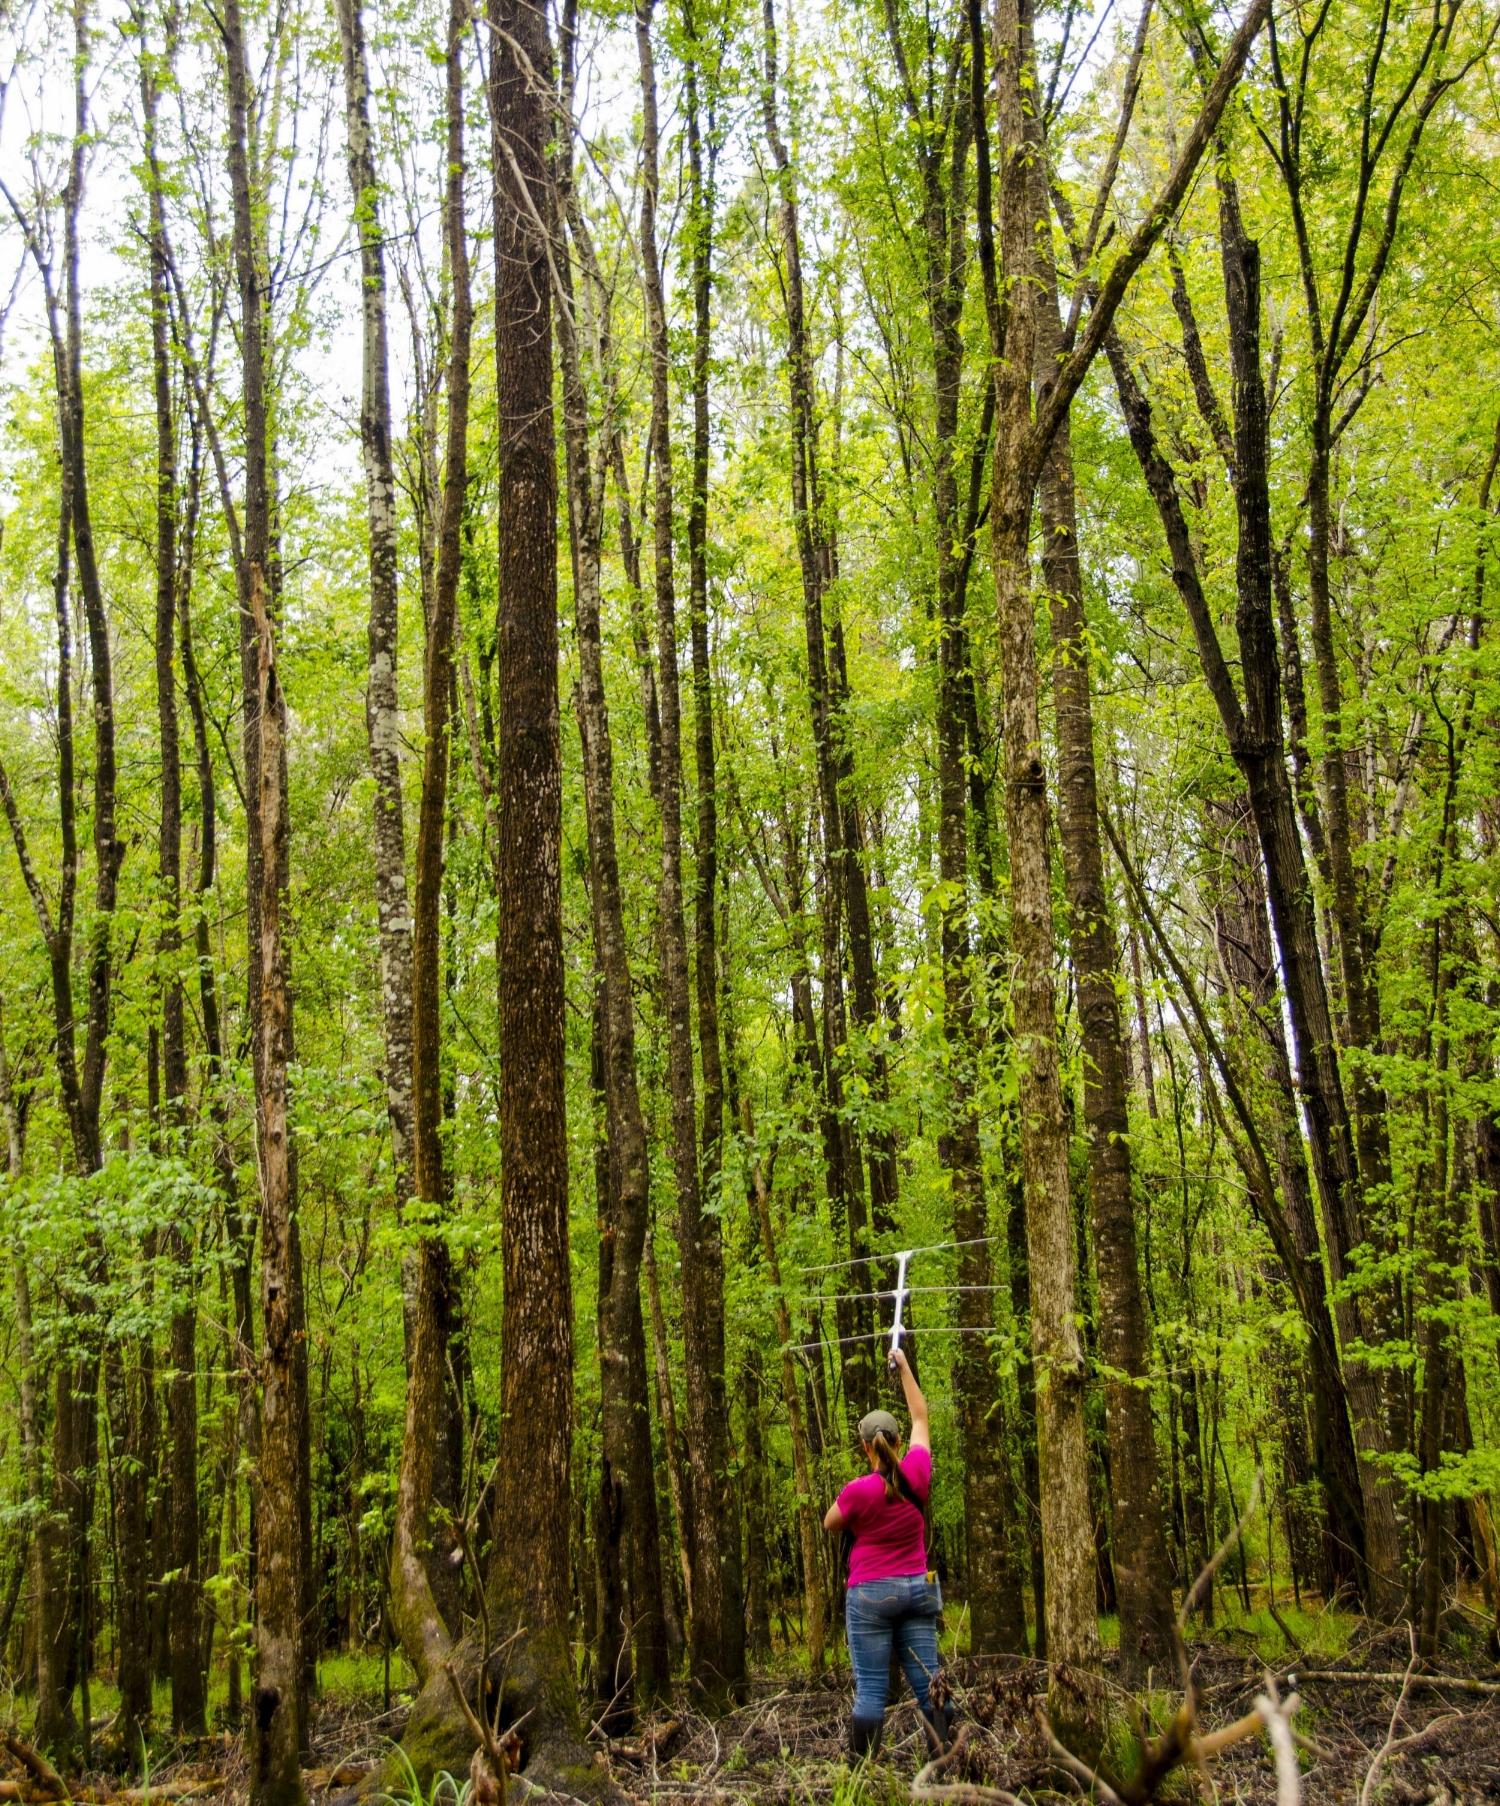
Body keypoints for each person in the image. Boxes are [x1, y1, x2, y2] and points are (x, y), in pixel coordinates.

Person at [824, 1347, 952, 1760]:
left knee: (871, 1690)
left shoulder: (858, 1491)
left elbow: (830, 1522)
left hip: (870, 1595)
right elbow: (920, 1417)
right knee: (930, 1684)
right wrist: (905, 1369)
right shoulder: (918, 1472)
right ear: (898, 1441)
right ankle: (947, 1763)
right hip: (917, 1590)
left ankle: (862, 1776)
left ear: (866, 1448)